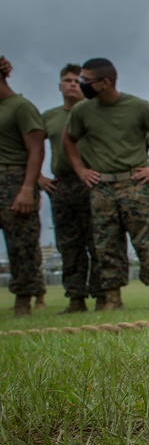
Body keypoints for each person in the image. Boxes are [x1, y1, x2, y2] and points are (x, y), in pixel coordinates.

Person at [62, 58, 149, 310]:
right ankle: (113, 299)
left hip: (135, 184)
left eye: (86, 80)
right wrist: (80, 170)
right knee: (106, 244)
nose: (82, 84)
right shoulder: (82, 111)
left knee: (147, 241)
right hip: (101, 187)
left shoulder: (138, 107)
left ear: (105, 82)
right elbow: (68, 140)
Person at [39, 63, 103, 313]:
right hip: (62, 185)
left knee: (98, 242)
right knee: (68, 244)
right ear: (59, 86)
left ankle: (102, 296)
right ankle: (75, 298)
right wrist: (39, 179)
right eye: (67, 80)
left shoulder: (95, 112)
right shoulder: (50, 117)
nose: (73, 84)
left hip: (94, 182)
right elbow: (31, 146)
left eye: (78, 80)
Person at [0, 56, 46, 317]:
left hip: (14, 179)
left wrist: (28, 188)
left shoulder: (21, 107)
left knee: (22, 244)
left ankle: (24, 301)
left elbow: (36, 149)